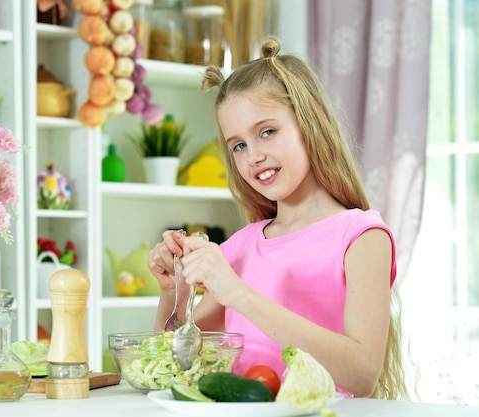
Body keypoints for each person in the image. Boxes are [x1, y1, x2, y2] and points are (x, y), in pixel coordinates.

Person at [148, 35, 407, 399]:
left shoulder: (362, 237)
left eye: (267, 132)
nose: (252, 156)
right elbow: (179, 361)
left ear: (310, 124)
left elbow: (362, 373)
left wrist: (238, 294)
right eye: (238, 145)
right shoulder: (241, 246)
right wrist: (174, 293)